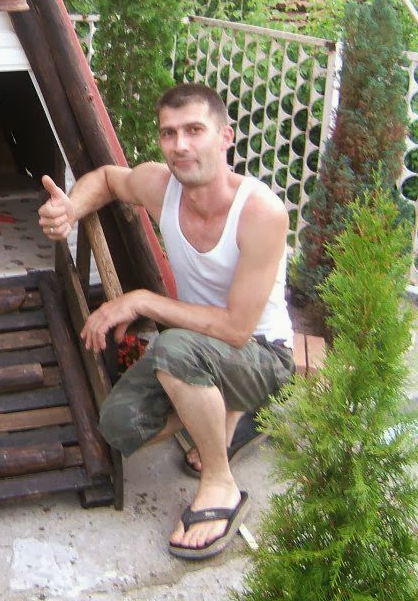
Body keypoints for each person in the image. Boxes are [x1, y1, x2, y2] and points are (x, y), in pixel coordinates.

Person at [37, 83, 294, 561]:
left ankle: (220, 485)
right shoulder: (161, 187)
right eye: (169, 133)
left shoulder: (260, 212)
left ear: (225, 137)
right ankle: (228, 415)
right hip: (198, 348)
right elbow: (107, 179)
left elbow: (236, 330)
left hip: (262, 355)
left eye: (194, 130)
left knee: (175, 350)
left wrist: (141, 301)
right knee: (119, 426)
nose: (179, 145)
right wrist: (70, 208)